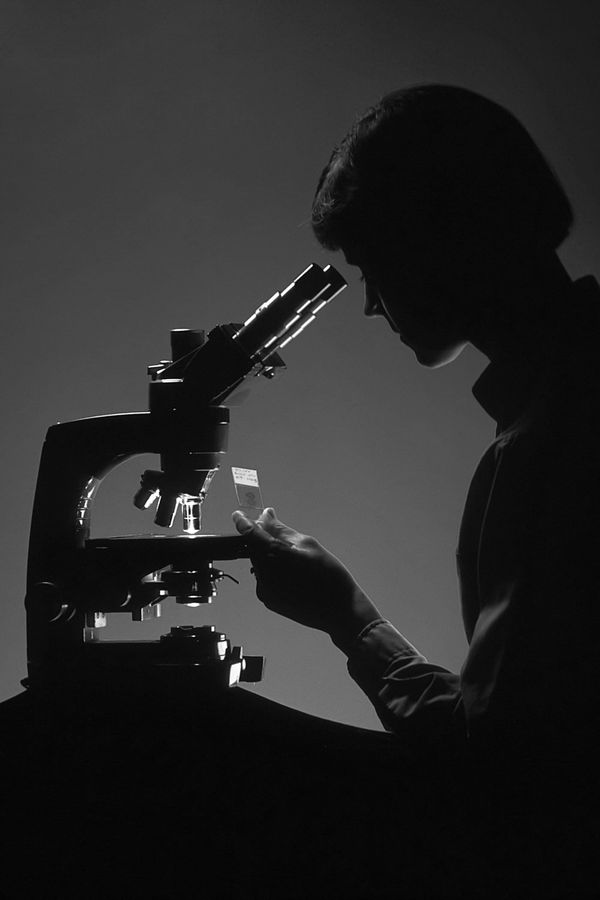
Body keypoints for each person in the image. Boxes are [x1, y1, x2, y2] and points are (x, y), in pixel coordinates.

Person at [232, 84, 600, 896]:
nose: (370, 304)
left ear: (441, 237)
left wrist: (349, 619)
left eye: (372, 265)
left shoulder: (551, 448)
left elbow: (500, 774)